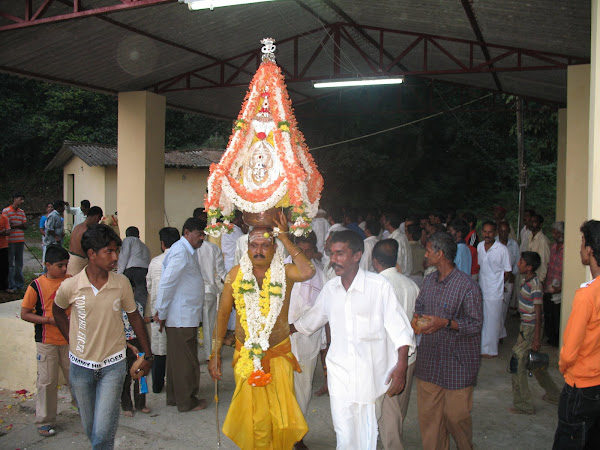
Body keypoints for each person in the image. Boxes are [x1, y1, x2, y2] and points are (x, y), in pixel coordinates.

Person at [292, 230, 414, 449]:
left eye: (340, 253)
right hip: (340, 376)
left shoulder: (379, 287)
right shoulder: (330, 289)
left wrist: (401, 367)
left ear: (357, 256)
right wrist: (281, 329)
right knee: (344, 434)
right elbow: (309, 322)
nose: (334, 259)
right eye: (332, 253)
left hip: (371, 377)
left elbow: (401, 330)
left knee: (366, 435)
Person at [209, 211, 316, 449]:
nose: (259, 250)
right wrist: (215, 353)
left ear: (274, 249)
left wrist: (285, 237)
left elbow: (308, 271)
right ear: (247, 248)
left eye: (265, 245)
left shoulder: (285, 274)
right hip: (246, 356)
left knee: (279, 418)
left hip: (277, 355)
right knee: (252, 417)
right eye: (254, 245)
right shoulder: (236, 274)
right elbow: (222, 315)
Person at [52, 224, 153, 450]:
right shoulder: (71, 285)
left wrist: (147, 355)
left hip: (113, 366)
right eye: (109, 251)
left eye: (116, 250)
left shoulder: (121, 284)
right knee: (92, 430)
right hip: (80, 367)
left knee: (103, 431)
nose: (115, 256)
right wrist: (71, 338)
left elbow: (135, 317)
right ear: (91, 254)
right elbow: (58, 310)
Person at [411, 231, 483, 450]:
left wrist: (446, 323)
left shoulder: (467, 286)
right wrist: (417, 320)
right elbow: (419, 307)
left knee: (456, 418)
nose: (425, 254)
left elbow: (475, 324)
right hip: (429, 362)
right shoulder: (429, 281)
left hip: (457, 365)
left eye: (429, 250)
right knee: (430, 421)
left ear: (440, 254)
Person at [553, 220, 600, 449]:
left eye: (582, 243)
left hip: (581, 386)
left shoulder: (587, 295)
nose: (580, 248)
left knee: (571, 440)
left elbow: (569, 351)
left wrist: (564, 368)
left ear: (590, 250)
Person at [154, 218, 206, 412]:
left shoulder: (183, 250)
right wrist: (161, 311)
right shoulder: (181, 251)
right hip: (182, 316)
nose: (201, 238)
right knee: (186, 361)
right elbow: (167, 282)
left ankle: (176, 397)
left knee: (177, 360)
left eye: (203, 234)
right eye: (198, 234)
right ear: (186, 233)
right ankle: (187, 401)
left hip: (184, 315)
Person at [20, 245, 72, 437]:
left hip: (69, 339)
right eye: (60, 265)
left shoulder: (70, 281)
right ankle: (45, 420)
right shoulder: (36, 286)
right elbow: (25, 314)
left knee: (76, 377)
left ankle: (85, 410)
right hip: (46, 340)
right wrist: (50, 320)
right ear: (47, 265)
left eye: (66, 265)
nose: (64, 269)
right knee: (47, 381)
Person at [372, 239, 419, 450]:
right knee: (400, 406)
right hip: (409, 356)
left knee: (388, 413)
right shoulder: (411, 284)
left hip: (389, 359)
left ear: (375, 261)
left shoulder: (377, 286)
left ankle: (394, 445)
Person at [286, 232, 327, 449]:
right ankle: (281, 434)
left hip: (306, 342)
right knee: (281, 389)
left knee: (302, 389)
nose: (305, 255)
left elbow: (322, 312)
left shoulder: (320, 275)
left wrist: (295, 327)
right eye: (300, 250)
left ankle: (298, 436)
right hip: (280, 342)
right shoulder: (279, 270)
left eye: (309, 250)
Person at [509, 251, 560, 415]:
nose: (518, 264)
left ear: (529, 267)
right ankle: (554, 395)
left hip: (530, 328)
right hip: (527, 327)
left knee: (518, 364)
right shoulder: (528, 281)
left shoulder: (535, 285)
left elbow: (538, 313)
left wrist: (536, 337)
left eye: (522, 262)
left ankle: (524, 404)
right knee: (536, 363)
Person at [146, 227, 179, 394]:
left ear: (162, 243)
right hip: (178, 313)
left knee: (159, 349)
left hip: (157, 312)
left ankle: (157, 386)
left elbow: (149, 286)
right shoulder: (183, 259)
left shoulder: (155, 262)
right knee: (175, 349)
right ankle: (175, 386)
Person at [478, 220, 511, 358]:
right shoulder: (480, 246)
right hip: (481, 288)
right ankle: (481, 347)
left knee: (493, 320)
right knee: (482, 319)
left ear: (495, 233)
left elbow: (508, 271)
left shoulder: (502, 249)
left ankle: (491, 350)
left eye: (490, 232)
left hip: (495, 291)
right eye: (485, 231)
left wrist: (500, 284)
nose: (487, 234)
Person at [197, 228, 227, 361]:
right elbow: (221, 272)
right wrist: (224, 289)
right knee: (209, 326)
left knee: (190, 326)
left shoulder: (186, 248)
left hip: (191, 293)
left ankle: (191, 356)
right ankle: (210, 354)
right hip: (209, 291)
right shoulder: (213, 248)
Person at [120, 300, 150, 417]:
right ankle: (126, 405)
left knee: (140, 374)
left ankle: (141, 404)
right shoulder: (116, 307)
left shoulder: (138, 306)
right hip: (124, 343)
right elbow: (115, 330)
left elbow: (141, 323)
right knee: (125, 376)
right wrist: (130, 346)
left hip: (138, 341)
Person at [117, 226, 151, 309]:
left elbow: (124, 257)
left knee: (124, 294)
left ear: (126, 235)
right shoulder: (145, 246)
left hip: (131, 270)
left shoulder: (128, 240)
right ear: (138, 236)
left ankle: (126, 313)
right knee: (141, 296)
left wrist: (119, 274)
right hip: (144, 272)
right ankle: (140, 314)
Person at [497, 220, 519, 339]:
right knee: (495, 308)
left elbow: (516, 262)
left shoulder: (513, 245)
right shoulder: (493, 243)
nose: (503, 234)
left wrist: (512, 275)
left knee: (503, 309)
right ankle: (497, 332)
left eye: (506, 231)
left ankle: (500, 333)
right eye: (501, 231)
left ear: (509, 232)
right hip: (495, 281)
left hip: (508, 280)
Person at [543, 221, 564, 347]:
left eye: (557, 232)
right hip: (549, 284)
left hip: (558, 287)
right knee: (549, 313)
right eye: (554, 232)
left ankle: (556, 339)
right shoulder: (553, 247)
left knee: (556, 315)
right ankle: (550, 337)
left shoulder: (565, 249)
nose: (555, 235)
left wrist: (560, 288)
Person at [67, 206, 103, 276]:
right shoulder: (86, 230)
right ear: (96, 217)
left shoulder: (77, 227)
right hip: (79, 262)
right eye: (98, 220)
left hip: (71, 259)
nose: (98, 222)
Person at [3, 193, 27, 293]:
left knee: (19, 263)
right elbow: (7, 225)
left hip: (20, 240)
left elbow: (25, 226)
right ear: (15, 199)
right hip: (11, 241)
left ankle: (20, 284)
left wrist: (14, 225)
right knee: (10, 264)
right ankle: (11, 285)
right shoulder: (6, 211)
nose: (22, 202)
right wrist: (19, 225)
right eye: (21, 199)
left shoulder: (21, 212)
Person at [526, 214, 550, 284]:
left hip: (537, 279)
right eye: (530, 221)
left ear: (540, 225)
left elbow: (544, 261)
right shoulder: (530, 237)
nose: (531, 224)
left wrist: (541, 280)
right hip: (529, 277)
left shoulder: (543, 240)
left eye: (534, 222)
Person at [39, 202, 53, 270]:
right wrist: (47, 235)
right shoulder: (44, 218)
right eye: (49, 207)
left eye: (51, 207)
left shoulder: (56, 217)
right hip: (46, 239)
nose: (50, 209)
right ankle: (44, 269)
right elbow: (41, 229)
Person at [0, 211, 10, 291]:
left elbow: (8, 231)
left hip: (3, 246)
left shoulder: (4, 218)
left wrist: (4, 232)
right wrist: (1, 232)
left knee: (4, 267)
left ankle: (4, 286)